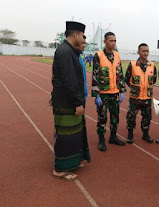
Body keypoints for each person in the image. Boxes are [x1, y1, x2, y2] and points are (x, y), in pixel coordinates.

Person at [51, 21, 91, 180]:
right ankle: (60, 169)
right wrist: (77, 103)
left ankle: (73, 161)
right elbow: (69, 81)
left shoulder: (70, 51)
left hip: (69, 101)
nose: (83, 39)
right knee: (65, 136)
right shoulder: (65, 52)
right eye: (82, 36)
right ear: (75, 35)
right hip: (66, 103)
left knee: (74, 134)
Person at [92, 32, 126, 151]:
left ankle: (113, 137)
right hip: (103, 93)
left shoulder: (117, 55)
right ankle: (101, 139)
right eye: (111, 41)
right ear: (105, 41)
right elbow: (95, 76)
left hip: (115, 93)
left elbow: (120, 74)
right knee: (102, 117)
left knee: (115, 116)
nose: (113, 43)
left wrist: (122, 91)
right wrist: (97, 95)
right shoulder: (99, 55)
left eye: (115, 41)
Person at [125, 43, 157, 144]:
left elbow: (154, 80)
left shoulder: (152, 66)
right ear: (138, 52)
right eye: (143, 51)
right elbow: (127, 79)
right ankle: (130, 134)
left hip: (147, 97)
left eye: (147, 51)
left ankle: (145, 134)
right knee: (131, 116)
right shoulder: (133, 65)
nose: (145, 53)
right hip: (135, 97)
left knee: (147, 117)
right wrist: (135, 88)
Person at [79, 36, 88, 101]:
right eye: (82, 43)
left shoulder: (80, 57)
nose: (84, 45)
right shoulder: (74, 57)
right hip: (77, 98)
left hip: (82, 96)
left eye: (85, 43)